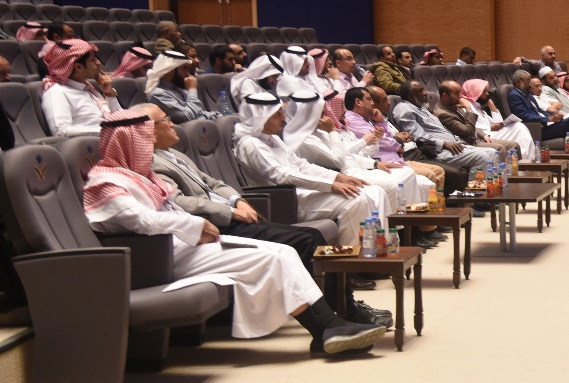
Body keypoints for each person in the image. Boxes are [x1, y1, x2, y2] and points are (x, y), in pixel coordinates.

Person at [83, 109, 385, 357]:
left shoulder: (140, 176)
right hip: (158, 256)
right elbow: (143, 220)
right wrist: (195, 225)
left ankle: (328, 328)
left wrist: (198, 225)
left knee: (284, 252)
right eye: (145, 137)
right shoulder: (105, 181)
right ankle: (328, 329)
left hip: (183, 244)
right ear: (128, 141)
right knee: (274, 256)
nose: (150, 144)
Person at [136, 102, 393, 328]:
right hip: (218, 223)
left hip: (239, 212)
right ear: (149, 131)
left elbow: (212, 183)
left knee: (313, 236)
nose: (173, 123)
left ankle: (345, 308)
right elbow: (179, 202)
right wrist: (229, 209)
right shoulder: (152, 163)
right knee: (310, 239)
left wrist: (237, 199)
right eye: (165, 120)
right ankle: (343, 311)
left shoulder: (174, 154)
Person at [233, 91, 388, 245]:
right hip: (283, 201)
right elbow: (283, 176)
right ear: (261, 118)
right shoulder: (251, 144)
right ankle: (351, 256)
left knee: (370, 192)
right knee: (356, 201)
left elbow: (300, 165)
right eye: (277, 114)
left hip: (300, 191)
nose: (283, 117)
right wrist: (330, 185)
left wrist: (337, 177)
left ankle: (380, 247)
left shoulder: (271, 138)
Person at [336, 87, 447, 193]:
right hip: (381, 162)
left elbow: (383, 138)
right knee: (428, 174)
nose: (372, 103)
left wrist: (380, 122)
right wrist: (398, 145)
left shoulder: (366, 118)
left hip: (395, 158)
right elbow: (382, 141)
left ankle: (437, 203)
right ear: (358, 102)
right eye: (369, 99)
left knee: (438, 171)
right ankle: (428, 204)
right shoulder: (352, 120)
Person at [506, 69, 569, 172]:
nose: (529, 83)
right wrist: (548, 119)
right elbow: (524, 116)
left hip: (545, 125)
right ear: (519, 81)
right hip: (535, 130)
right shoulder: (514, 96)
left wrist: (554, 117)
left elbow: (540, 111)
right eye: (527, 81)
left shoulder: (528, 95)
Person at [387, 81, 498, 173]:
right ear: (411, 95)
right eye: (420, 91)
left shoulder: (421, 108)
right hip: (437, 151)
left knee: (492, 152)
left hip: (454, 145)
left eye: (423, 90)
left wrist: (457, 140)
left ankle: (493, 188)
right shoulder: (404, 109)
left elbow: (441, 130)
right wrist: (443, 143)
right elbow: (416, 136)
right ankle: (473, 191)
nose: (425, 93)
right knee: (482, 157)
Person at [41, 39, 121, 137]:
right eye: (93, 60)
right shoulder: (57, 92)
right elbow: (61, 131)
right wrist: (107, 131)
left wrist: (109, 94)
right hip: (94, 143)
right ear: (78, 67)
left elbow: (119, 119)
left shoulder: (88, 89)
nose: (98, 62)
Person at [435, 79, 521, 158]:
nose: (460, 96)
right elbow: (467, 131)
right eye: (457, 93)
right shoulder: (443, 114)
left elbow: (473, 126)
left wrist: (483, 135)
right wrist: (468, 108)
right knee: (499, 148)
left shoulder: (454, 104)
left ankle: (517, 170)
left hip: (477, 138)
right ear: (445, 96)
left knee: (514, 145)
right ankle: (502, 170)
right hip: (467, 143)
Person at [458, 78, 537, 160]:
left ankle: (527, 158)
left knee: (518, 126)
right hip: (483, 137)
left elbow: (498, 122)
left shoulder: (478, 107)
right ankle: (525, 159)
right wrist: (490, 128)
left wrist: (492, 106)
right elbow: (471, 127)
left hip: (492, 133)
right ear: (474, 92)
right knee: (519, 128)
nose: (487, 94)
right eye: (484, 91)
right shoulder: (466, 106)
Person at [146, 49, 217, 123]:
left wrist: (216, 116)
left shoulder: (179, 88)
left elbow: (200, 113)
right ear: (170, 71)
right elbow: (188, 118)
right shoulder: (158, 95)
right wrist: (192, 89)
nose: (188, 74)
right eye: (184, 68)